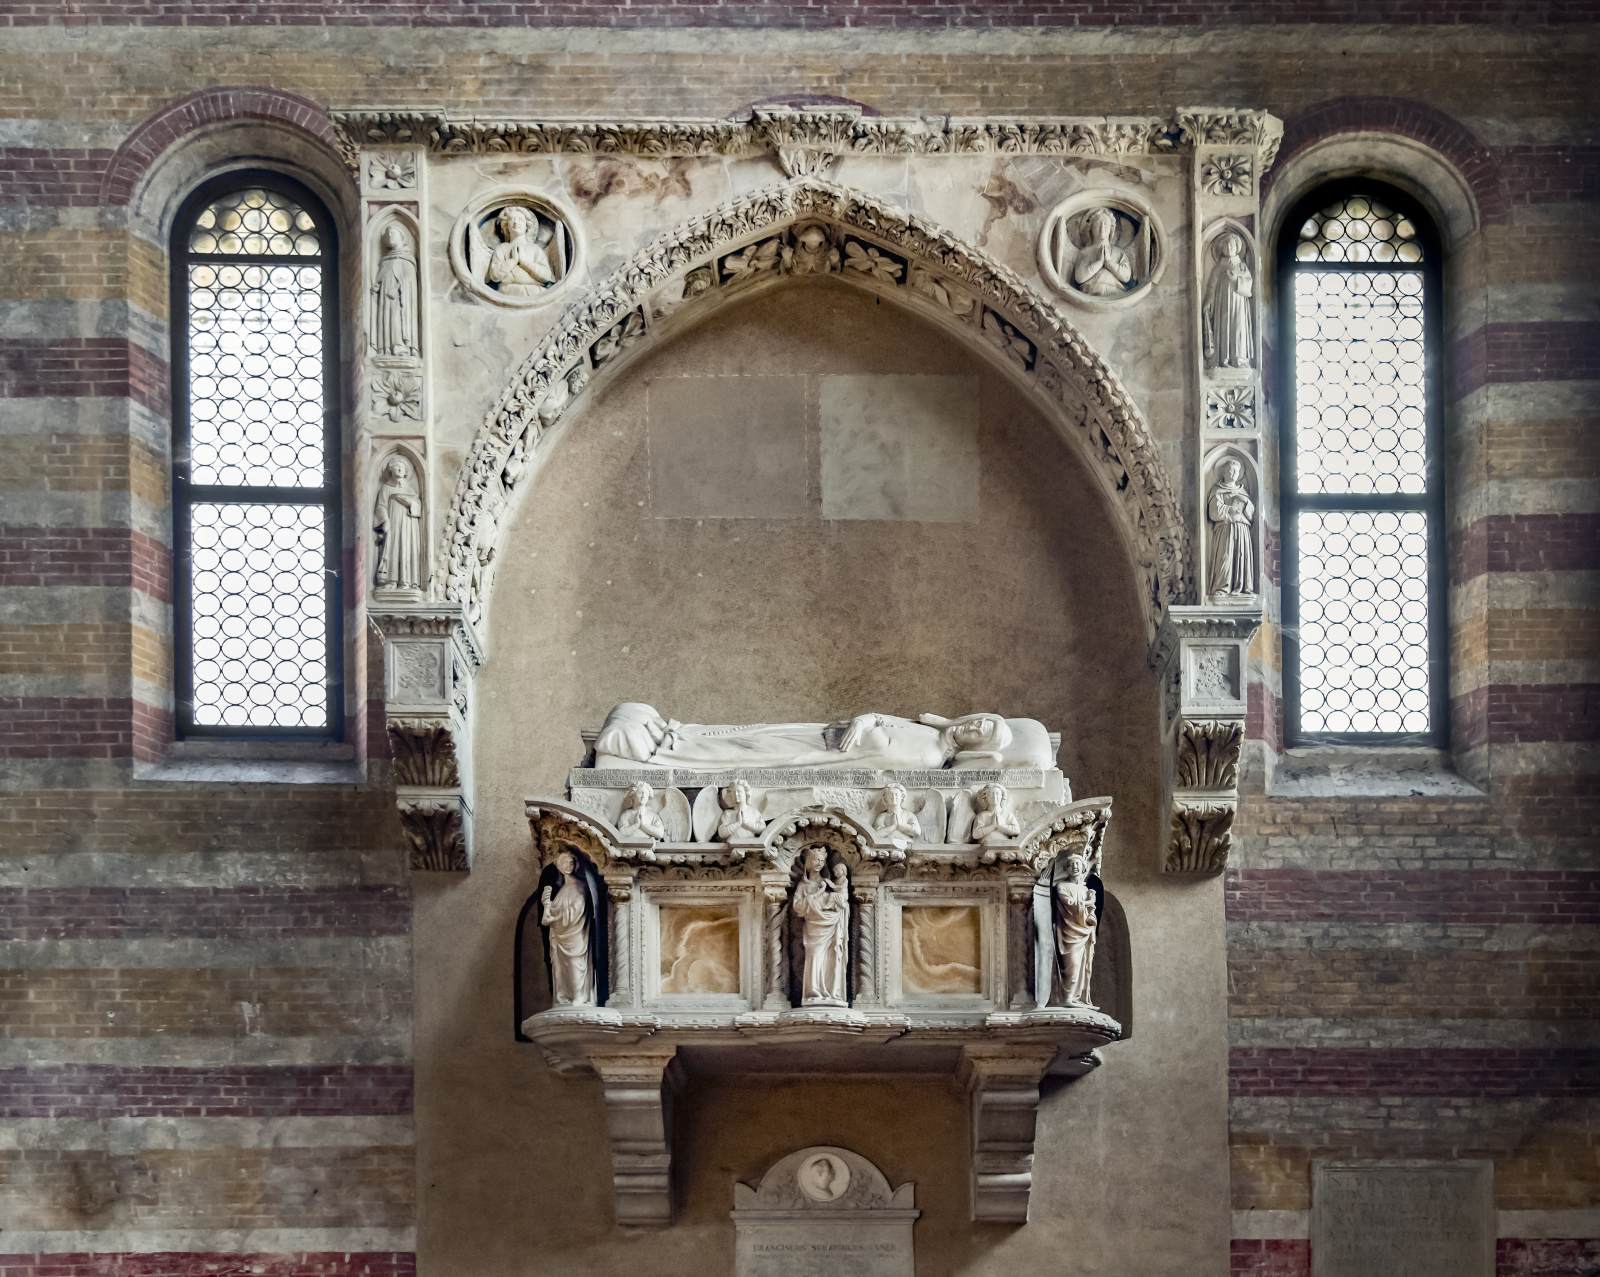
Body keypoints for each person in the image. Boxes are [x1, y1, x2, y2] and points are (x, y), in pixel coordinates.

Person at [539, 850, 597, 1006]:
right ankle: (563, 997)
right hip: (558, 935)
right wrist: (547, 907)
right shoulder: (562, 889)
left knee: (575, 963)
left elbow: (578, 909)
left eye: (571, 862)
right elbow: (550, 916)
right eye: (565, 862)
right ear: (559, 866)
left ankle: (579, 996)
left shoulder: (581, 886)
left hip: (575, 932)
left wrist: (554, 917)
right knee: (559, 968)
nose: (568, 865)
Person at [792, 847, 849, 1006]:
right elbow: (797, 907)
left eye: (822, 860)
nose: (819, 863)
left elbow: (842, 900)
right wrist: (818, 895)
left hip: (832, 923)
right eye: (816, 860)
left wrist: (831, 899)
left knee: (833, 957)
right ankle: (813, 991)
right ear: (808, 862)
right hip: (814, 927)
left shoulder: (829, 883)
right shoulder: (804, 885)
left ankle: (833, 992)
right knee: (815, 956)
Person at [1203, 232, 1255, 369]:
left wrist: (1235, 280)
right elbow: (1211, 286)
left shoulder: (1242, 266)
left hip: (1238, 303)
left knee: (1238, 328)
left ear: (1236, 247)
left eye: (1231, 244)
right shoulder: (1219, 267)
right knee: (1224, 327)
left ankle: (1239, 359)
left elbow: (1249, 285)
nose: (1228, 247)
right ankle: (1223, 360)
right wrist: (1208, 299)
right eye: (1225, 244)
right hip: (1222, 302)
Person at [1207, 458, 1256, 600]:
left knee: (1242, 555)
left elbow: (1251, 513)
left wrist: (1245, 502)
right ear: (1223, 472)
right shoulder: (1218, 489)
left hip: (1242, 529)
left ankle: (1242, 587)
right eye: (1230, 470)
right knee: (1225, 557)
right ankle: (1222, 587)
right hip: (1225, 529)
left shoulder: (1243, 491)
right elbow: (1214, 511)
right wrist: (1231, 509)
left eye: (1236, 471)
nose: (1233, 473)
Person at [1054, 853, 1098, 1007]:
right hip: (1069, 932)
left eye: (1078, 864)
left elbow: (1089, 915)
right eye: (1072, 864)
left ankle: (1076, 998)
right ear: (1066, 868)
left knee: (1082, 966)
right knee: (1071, 967)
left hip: (1084, 932)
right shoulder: (1062, 886)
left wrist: (1091, 903)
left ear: (1083, 867)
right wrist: (1087, 902)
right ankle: (1066, 999)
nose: (1075, 867)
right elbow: (1069, 903)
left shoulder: (1086, 890)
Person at [1072, 208, 1134, 298]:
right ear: (1091, 228)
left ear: (1111, 229)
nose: (1102, 228)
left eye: (1106, 224)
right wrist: (1099, 263)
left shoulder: (1118, 252)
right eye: (1097, 224)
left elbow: (1126, 277)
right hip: (1090, 295)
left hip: (1116, 295)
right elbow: (1079, 277)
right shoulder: (1085, 252)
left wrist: (1109, 263)